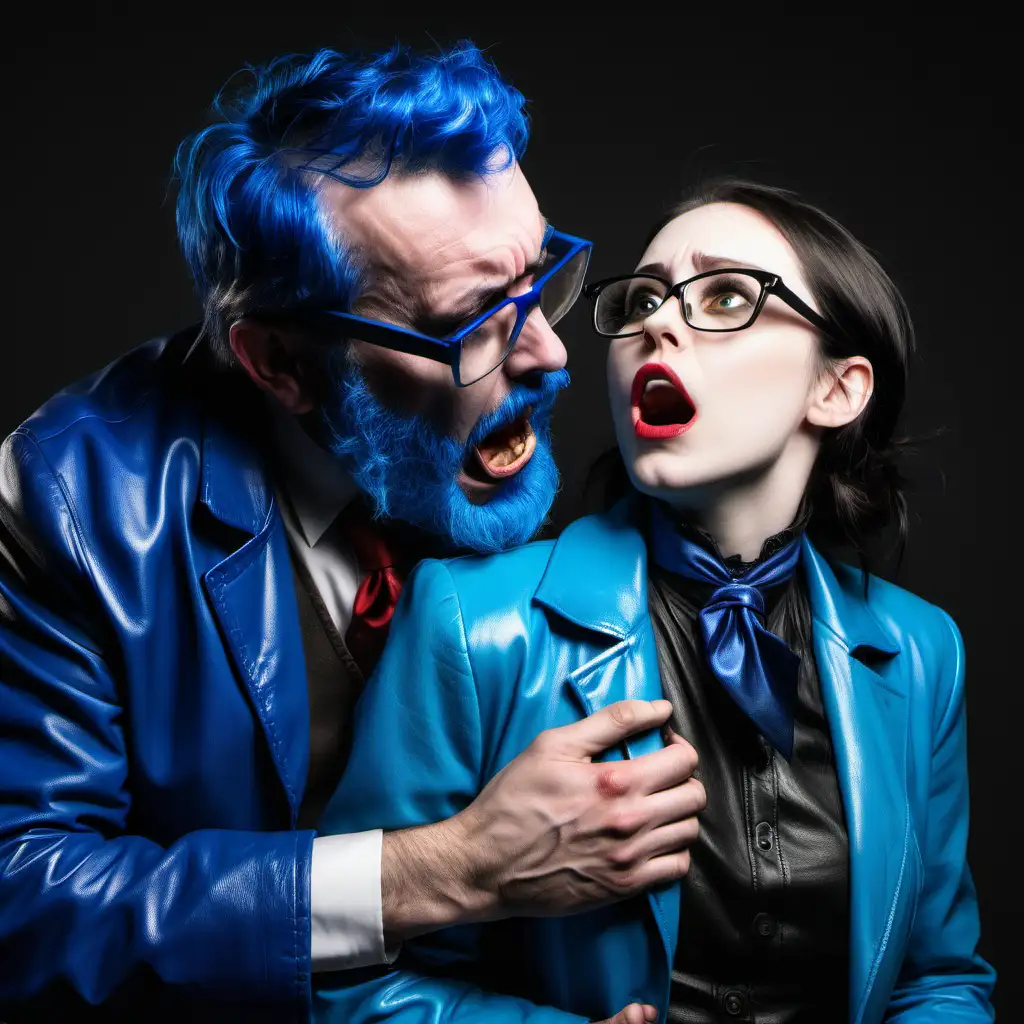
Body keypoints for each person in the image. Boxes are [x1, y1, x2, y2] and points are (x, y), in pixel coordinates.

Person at [0, 44, 702, 1021]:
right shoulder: (72, 499)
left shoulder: (596, 482)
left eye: (541, 276)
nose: (549, 354)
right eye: (471, 324)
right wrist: (441, 872)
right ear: (282, 362)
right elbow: (23, 901)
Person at [314, 180, 996, 1022]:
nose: (658, 324)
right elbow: (349, 983)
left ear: (838, 389)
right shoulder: (471, 621)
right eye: (641, 299)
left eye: (724, 295)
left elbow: (940, 978)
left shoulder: (923, 651)